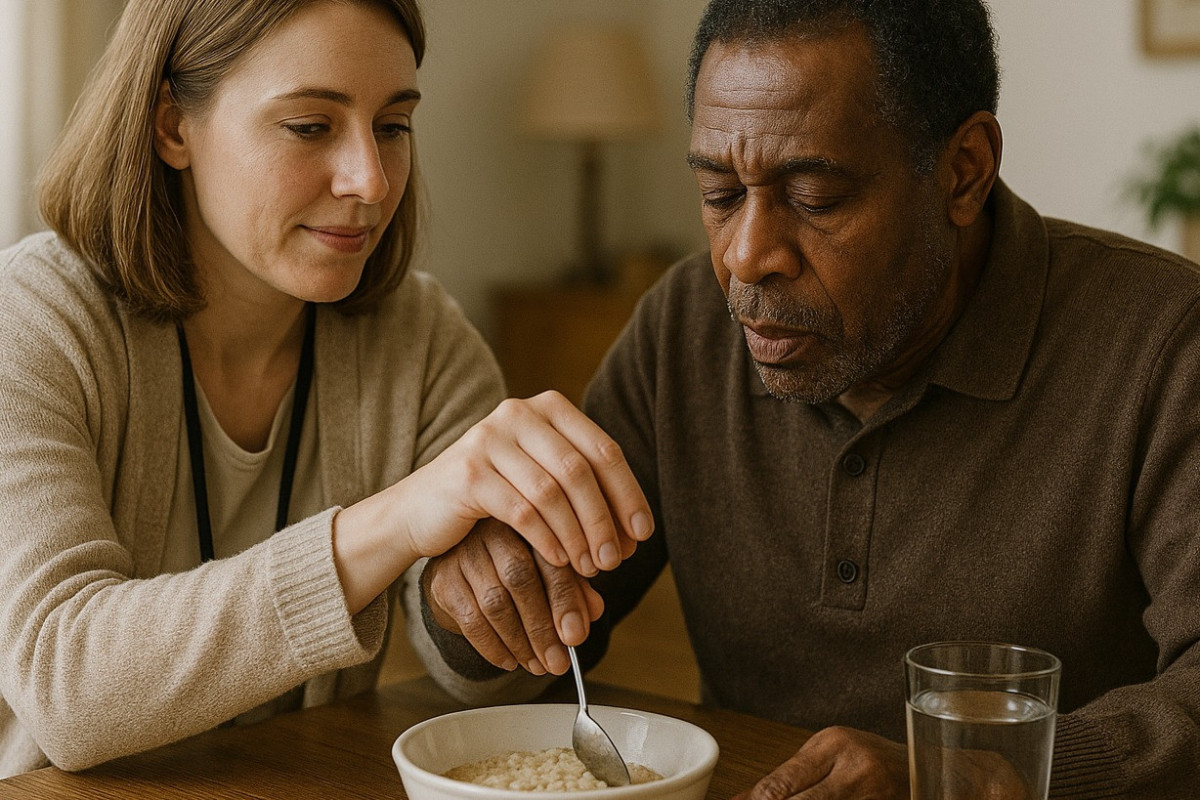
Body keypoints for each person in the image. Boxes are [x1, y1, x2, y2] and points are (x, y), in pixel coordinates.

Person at [408, 1, 1200, 797]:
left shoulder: (1163, 343)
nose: (746, 258)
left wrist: (969, 779)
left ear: (964, 170)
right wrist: (475, 592)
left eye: (815, 197)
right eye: (719, 194)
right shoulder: (685, 325)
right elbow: (529, 639)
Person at [0, 0, 652, 778]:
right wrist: (400, 520)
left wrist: (477, 594)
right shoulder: (33, 323)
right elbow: (68, 690)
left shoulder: (423, 338)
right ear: (173, 126)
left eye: (393, 126)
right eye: (311, 126)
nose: (371, 181)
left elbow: (490, 680)